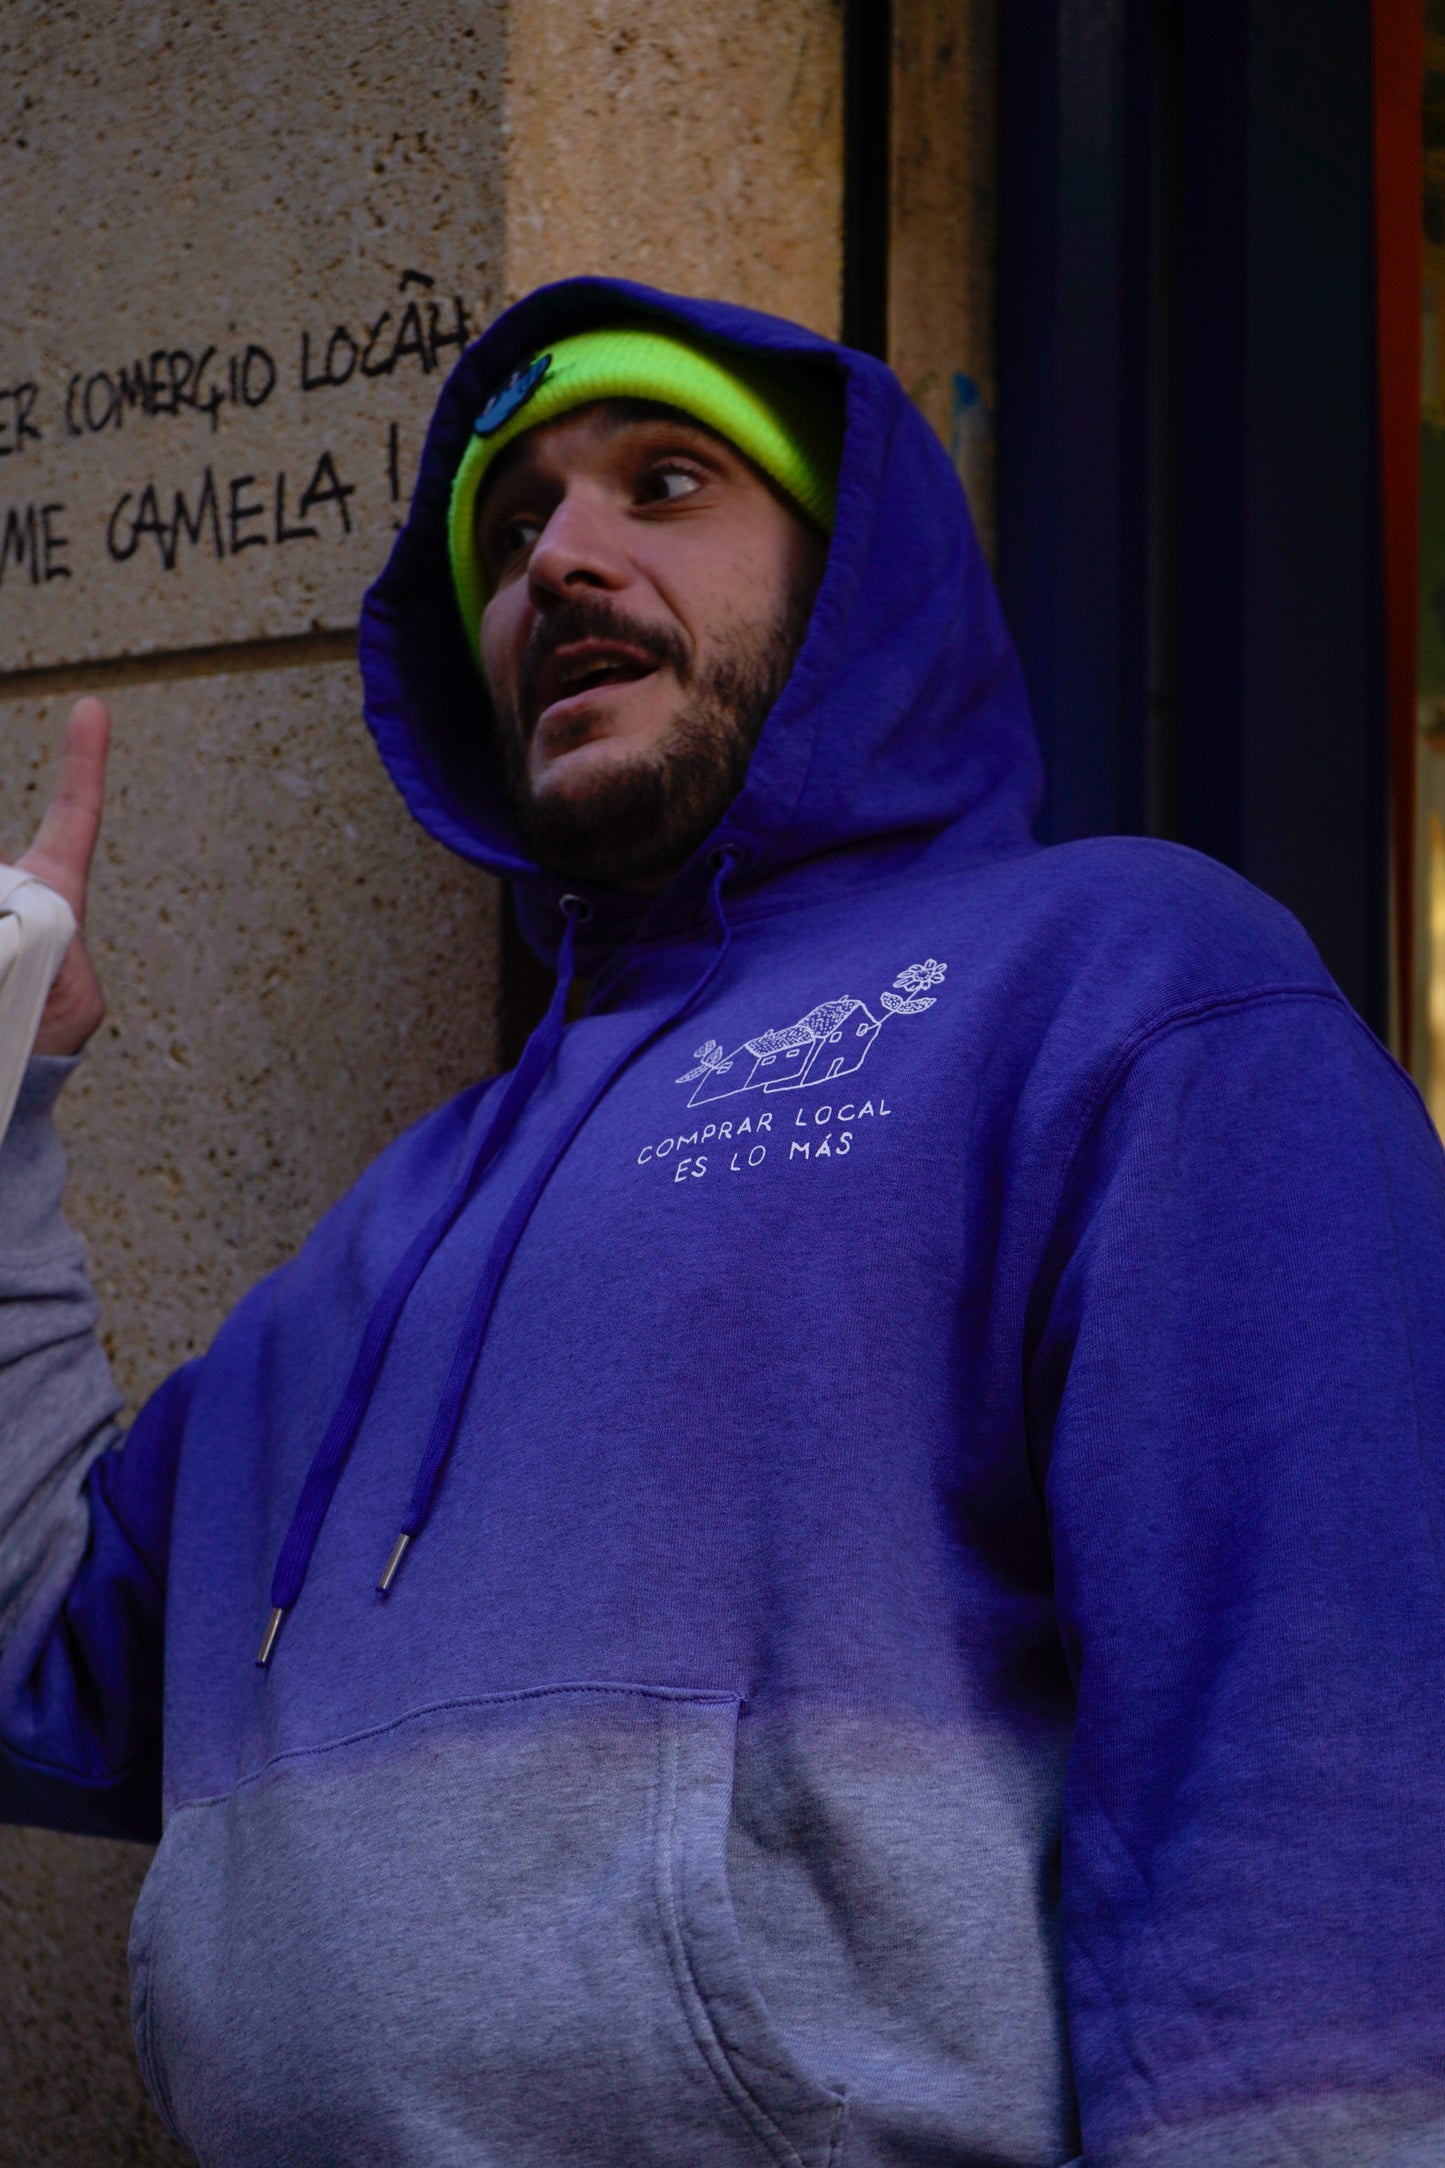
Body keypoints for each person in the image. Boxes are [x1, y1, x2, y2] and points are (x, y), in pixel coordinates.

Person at [2, 281, 1443, 2168]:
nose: (558, 561)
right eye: (510, 530)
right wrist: (1, 1099)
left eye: (665, 482)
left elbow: (1313, 1750)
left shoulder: (1127, 985)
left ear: (850, 581)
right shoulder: (386, 1240)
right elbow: (41, 1666)